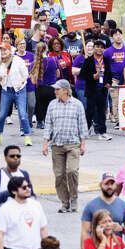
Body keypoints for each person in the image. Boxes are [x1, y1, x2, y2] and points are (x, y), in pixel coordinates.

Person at [42, 79, 88, 213]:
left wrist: (83, 144)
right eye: (55, 89)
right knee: (59, 175)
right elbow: (48, 125)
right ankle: (64, 202)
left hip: (73, 144)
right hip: (56, 144)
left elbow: (82, 126)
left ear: (66, 90)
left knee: (72, 171)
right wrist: (45, 144)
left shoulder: (77, 105)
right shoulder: (52, 105)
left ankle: (74, 198)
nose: (55, 91)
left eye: (58, 89)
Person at [0, 176, 48, 249]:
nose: (28, 189)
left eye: (28, 186)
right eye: (24, 187)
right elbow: (0, 234)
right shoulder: (6, 208)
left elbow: (43, 229)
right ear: (14, 191)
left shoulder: (36, 205)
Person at [82, 173, 125, 249]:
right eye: (106, 184)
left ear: (116, 185)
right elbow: (85, 232)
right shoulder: (91, 206)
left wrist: (121, 229)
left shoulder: (123, 205)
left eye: (112, 183)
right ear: (100, 185)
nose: (109, 186)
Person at [0, 41, 33, 146]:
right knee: (2, 115)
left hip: (19, 90)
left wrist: (21, 82)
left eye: (5, 49)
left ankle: (27, 137)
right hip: (6, 90)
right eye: (1, 50)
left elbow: (26, 75)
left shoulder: (18, 60)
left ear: (10, 51)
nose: (2, 52)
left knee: (23, 114)